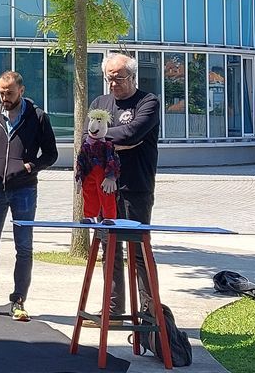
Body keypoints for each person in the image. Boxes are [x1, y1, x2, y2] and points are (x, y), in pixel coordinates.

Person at [0, 71, 58, 322]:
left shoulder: (38, 117)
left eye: (10, 93)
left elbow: (51, 154)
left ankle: (18, 300)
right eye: (1, 93)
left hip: (25, 189)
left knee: (24, 247)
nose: (5, 98)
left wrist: (28, 167)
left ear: (22, 90)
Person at [89, 52, 161, 316]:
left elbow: (133, 132)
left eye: (119, 78)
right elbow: (92, 138)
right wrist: (116, 141)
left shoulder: (148, 102)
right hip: (104, 191)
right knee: (109, 250)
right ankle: (113, 309)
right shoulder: (100, 103)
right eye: (109, 79)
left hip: (136, 188)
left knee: (139, 251)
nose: (113, 84)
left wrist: (107, 139)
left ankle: (150, 312)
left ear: (132, 76)